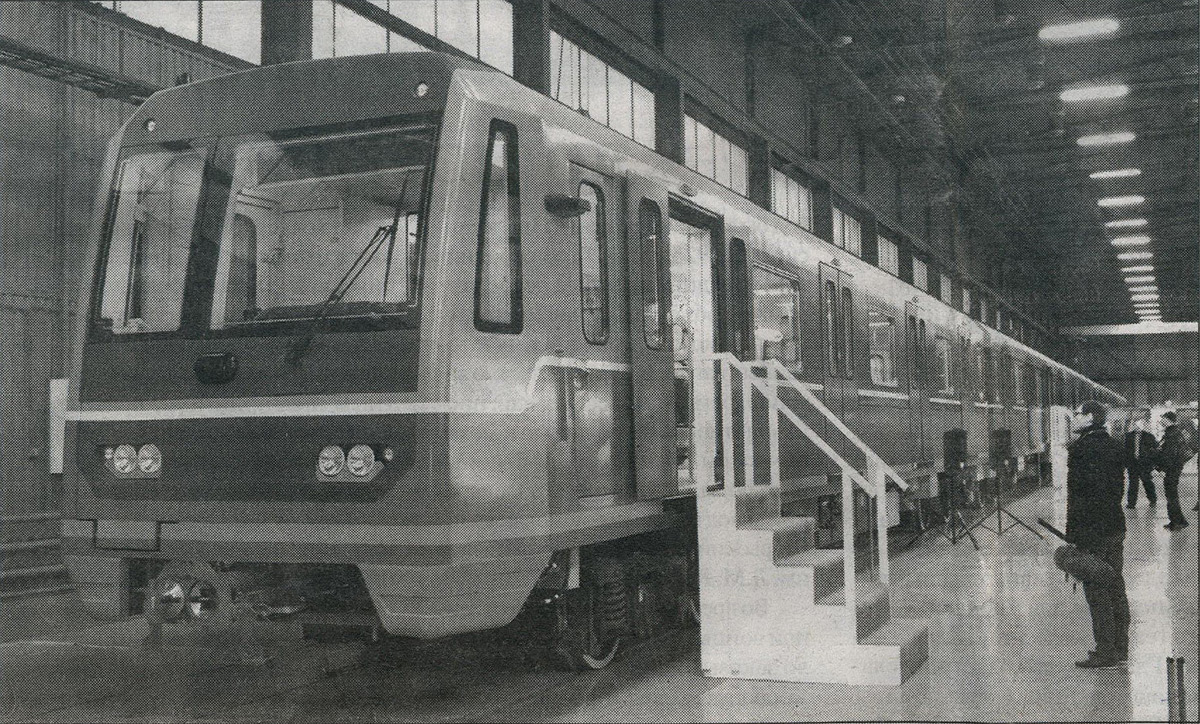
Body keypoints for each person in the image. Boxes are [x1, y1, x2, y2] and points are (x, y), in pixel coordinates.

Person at [1066, 400, 1130, 669]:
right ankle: (1121, 648)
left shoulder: (1081, 449)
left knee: (1097, 590)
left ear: (1090, 417)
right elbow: (1114, 490)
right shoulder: (1115, 445)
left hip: (1092, 531)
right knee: (1115, 586)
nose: (1073, 418)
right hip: (1114, 525)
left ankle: (1106, 653)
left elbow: (1081, 497)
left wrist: (1075, 537)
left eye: (1077, 414)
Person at [1157, 411, 1193, 530]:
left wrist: (1162, 468)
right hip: (1174, 468)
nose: (1161, 421)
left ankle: (1177, 522)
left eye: (1163, 418)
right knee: (1171, 495)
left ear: (1168, 420)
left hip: (1172, 469)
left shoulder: (1172, 433)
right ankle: (1178, 521)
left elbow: (1170, 454)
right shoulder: (1173, 432)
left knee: (1171, 495)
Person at [1123, 411, 1158, 508]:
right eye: (1135, 424)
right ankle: (1131, 503)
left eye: (1139, 424)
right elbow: (1125, 450)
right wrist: (1126, 463)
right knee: (1133, 483)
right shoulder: (1128, 436)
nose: (1137, 426)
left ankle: (1152, 499)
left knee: (1147, 482)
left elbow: (1154, 450)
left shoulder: (1149, 436)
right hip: (1132, 463)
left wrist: (1151, 462)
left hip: (1145, 464)